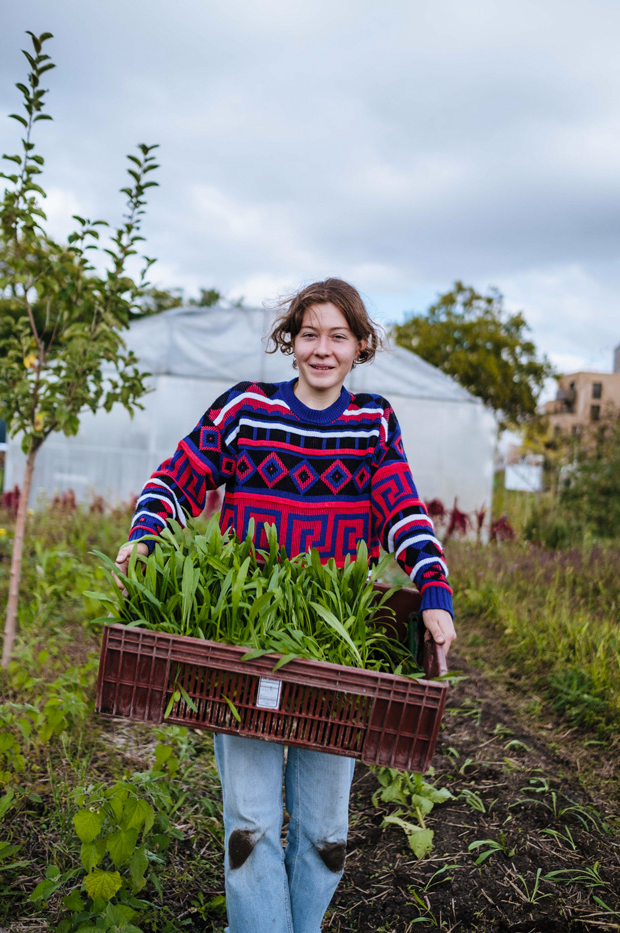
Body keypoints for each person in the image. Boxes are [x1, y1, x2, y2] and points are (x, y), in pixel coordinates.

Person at [114, 278, 456, 933]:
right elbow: (177, 477)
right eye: (309, 334)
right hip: (245, 647)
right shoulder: (245, 409)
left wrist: (434, 590)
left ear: (359, 346)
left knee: (326, 833)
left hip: (331, 653)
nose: (321, 349)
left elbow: (402, 512)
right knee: (250, 825)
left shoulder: (371, 422)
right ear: (289, 341)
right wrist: (145, 534)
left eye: (337, 335)